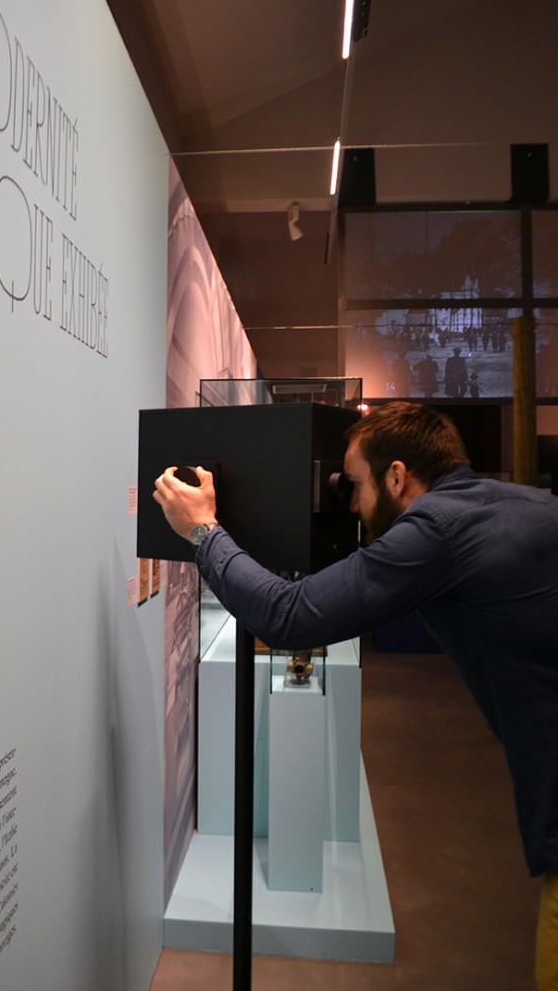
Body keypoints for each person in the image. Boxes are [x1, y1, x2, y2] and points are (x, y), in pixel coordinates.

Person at [153, 400, 558, 991]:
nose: (352, 505)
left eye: (357, 485)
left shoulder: (436, 529)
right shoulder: (528, 503)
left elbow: (288, 616)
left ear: (397, 477)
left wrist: (203, 531)